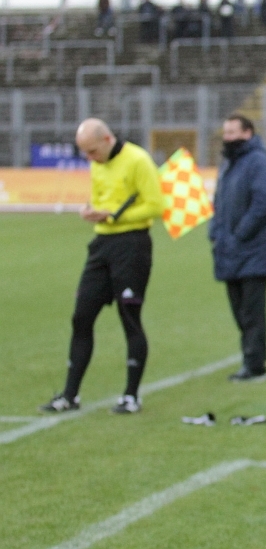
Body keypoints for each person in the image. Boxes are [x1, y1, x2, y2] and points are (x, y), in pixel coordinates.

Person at [40, 119, 163, 415]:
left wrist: (113, 216)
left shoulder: (138, 160)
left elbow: (156, 205)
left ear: (107, 139)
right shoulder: (97, 164)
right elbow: (101, 200)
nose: (90, 158)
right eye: (85, 153)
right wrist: (92, 211)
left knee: (129, 316)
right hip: (101, 245)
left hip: (132, 244)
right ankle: (70, 395)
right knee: (81, 317)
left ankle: (131, 396)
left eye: (92, 151)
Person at [210, 114, 266, 382]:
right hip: (228, 249)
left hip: (251, 250)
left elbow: (262, 204)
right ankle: (249, 360)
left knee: (251, 313)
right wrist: (215, 232)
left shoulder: (259, 162)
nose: (227, 138)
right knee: (239, 311)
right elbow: (219, 202)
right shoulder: (228, 163)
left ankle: (255, 365)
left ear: (247, 133)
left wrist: (239, 235)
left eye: (232, 132)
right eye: (225, 132)